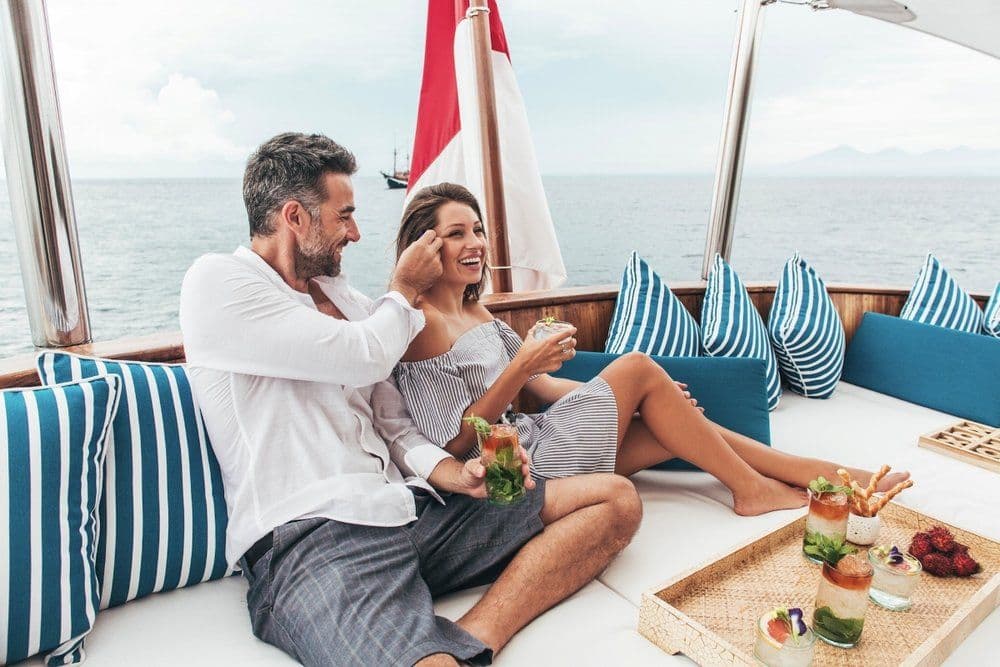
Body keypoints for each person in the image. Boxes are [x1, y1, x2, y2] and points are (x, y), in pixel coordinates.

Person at [179, 133, 642, 667]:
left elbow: (397, 428)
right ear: (295, 218)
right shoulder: (218, 284)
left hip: (407, 513)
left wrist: (455, 475)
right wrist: (402, 289)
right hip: (313, 541)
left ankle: (473, 635)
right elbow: (362, 357)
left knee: (614, 500)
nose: (354, 233)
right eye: (344, 216)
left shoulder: (347, 301)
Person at [392, 183, 909, 516]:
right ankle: (754, 489)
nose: (475, 243)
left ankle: (814, 473)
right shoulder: (422, 325)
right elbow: (455, 443)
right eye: (456, 233)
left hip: (544, 435)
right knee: (637, 365)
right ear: (425, 247)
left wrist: (637, 396)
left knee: (677, 421)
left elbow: (546, 388)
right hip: (522, 466)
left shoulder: (478, 313)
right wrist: (530, 364)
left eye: (478, 229)